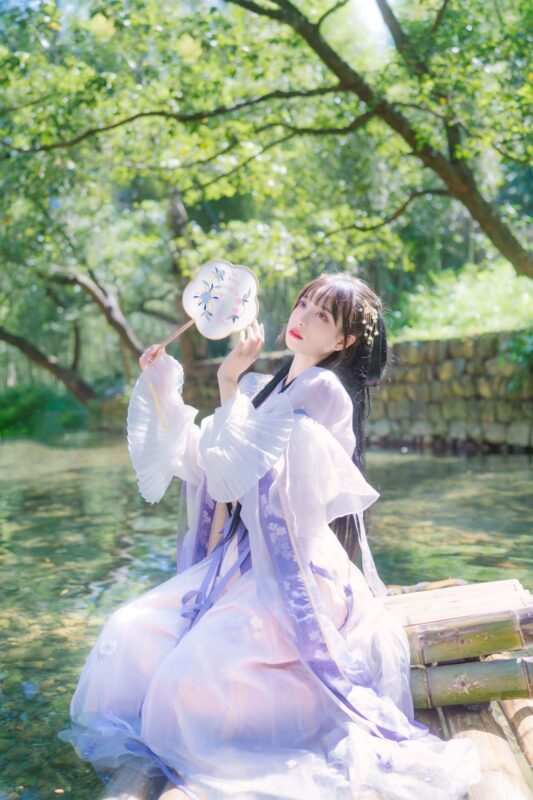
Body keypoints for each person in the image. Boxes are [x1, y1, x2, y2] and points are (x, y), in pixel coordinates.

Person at [60, 273, 480, 800]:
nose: (301, 318)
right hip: (245, 565)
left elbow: (245, 479)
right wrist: (165, 386)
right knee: (129, 628)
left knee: (182, 685)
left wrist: (228, 384)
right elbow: (211, 467)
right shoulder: (268, 386)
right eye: (303, 304)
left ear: (345, 340)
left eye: (322, 316)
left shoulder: (324, 392)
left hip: (292, 575)